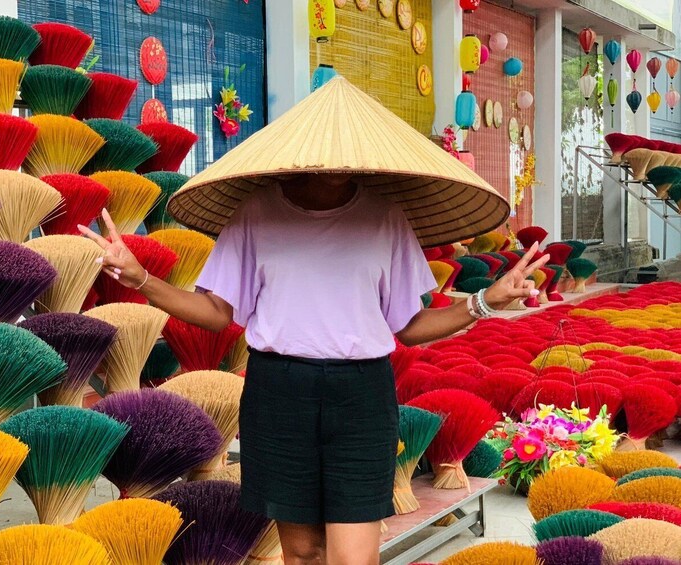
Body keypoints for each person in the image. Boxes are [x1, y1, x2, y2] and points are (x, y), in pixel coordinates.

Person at [79, 78, 549, 565]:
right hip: (278, 392)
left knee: (353, 557)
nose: (339, 161)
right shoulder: (257, 213)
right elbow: (217, 314)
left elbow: (407, 325)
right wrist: (141, 279)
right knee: (302, 553)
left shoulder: (384, 216)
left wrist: (484, 302)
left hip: (362, 395)